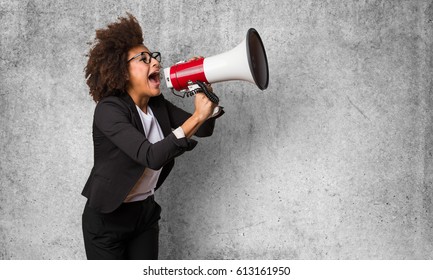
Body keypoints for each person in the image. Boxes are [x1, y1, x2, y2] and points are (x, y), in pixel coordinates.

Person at [81, 13, 223, 260]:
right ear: (122, 72)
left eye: (154, 57)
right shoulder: (109, 110)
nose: (155, 63)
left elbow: (204, 128)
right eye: (143, 59)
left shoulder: (158, 104)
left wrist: (204, 91)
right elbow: (150, 156)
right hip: (107, 221)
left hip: (144, 214)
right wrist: (198, 116)